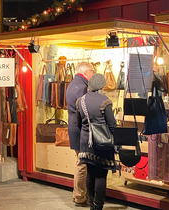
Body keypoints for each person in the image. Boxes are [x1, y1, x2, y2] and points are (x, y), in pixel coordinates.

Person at [76, 74, 116, 210]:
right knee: (101, 174)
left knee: (90, 173)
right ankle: (98, 207)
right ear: (101, 86)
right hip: (102, 143)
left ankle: (92, 205)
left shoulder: (80, 101)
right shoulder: (105, 101)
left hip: (86, 143)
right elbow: (112, 125)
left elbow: (78, 124)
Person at [66, 62, 94, 206]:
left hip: (75, 128)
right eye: (92, 70)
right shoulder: (82, 87)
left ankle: (79, 195)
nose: (93, 73)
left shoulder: (73, 84)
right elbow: (84, 111)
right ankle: (79, 197)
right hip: (80, 130)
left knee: (81, 162)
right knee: (82, 163)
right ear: (85, 72)